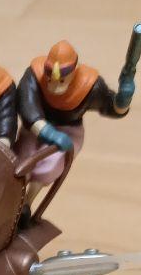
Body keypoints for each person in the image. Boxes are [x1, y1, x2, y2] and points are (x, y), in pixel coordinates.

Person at [15, 40, 134, 200]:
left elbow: (110, 107)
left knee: (50, 164)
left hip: (68, 130)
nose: (54, 86)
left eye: (61, 80)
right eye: (50, 79)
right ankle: (15, 200)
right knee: (21, 160)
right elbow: (26, 104)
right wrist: (45, 131)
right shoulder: (34, 75)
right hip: (35, 127)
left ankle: (27, 203)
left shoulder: (90, 86)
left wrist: (123, 101)